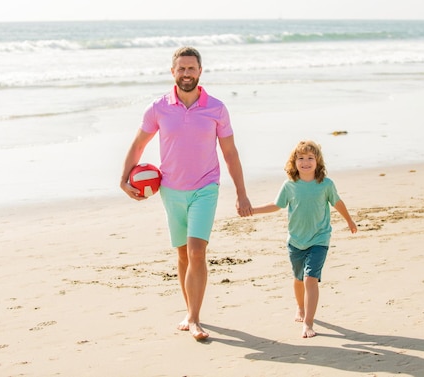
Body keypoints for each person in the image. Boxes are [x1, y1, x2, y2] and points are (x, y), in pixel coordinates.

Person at [120, 46, 253, 341]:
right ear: (173, 72)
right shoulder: (158, 108)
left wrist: (241, 194)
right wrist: (123, 178)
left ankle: (194, 318)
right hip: (171, 190)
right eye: (181, 69)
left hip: (205, 187)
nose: (186, 73)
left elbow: (230, 153)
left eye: (191, 68)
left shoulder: (216, 108)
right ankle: (189, 310)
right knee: (182, 254)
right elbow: (139, 144)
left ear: (200, 71)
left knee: (196, 251)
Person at [252, 140, 357, 338]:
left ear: (318, 162)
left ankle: (308, 323)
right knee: (299, 278)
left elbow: (337, 202)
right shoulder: (290, 186)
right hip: (296, 241)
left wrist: (349, 220)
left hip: (319, 239)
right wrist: (253, 211)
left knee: (310, 279)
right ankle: (300, 307)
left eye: (310, 158)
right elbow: (276, 205)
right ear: (294, 162)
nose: (306, 162)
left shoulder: (325, 184)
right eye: (301, 158)